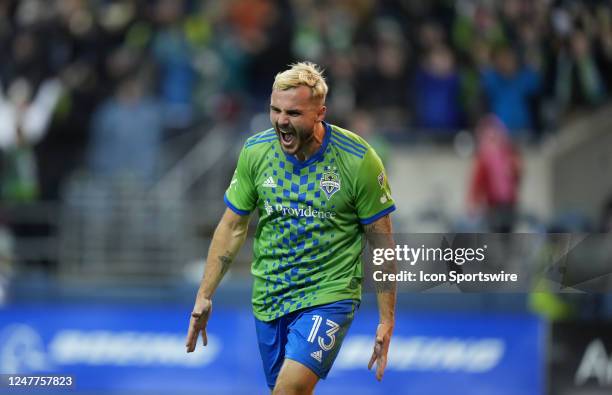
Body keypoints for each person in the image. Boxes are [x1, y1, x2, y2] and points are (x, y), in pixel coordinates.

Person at [185, 62, 397, 393]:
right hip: (270, 297)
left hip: (329, 294)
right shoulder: (256, 151)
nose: (282, 120)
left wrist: (386, 319)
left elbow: (382, 242)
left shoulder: (358, 160)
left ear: (320, 113)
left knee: (290, 390)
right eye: (275, 110)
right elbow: (232, 227)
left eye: (294, 113)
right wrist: (204, 295)